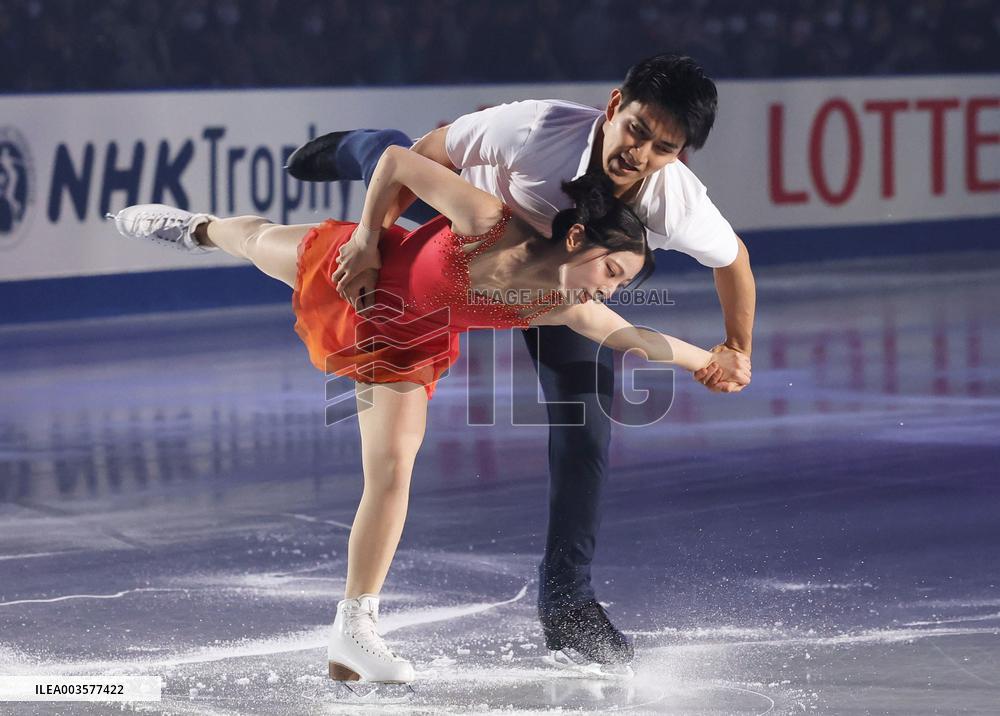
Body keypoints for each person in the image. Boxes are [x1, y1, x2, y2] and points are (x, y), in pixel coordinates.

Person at [109, 141, 750, 684]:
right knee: (250, 239)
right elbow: (394, 159)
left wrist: (710, 362)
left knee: (393, 468)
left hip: (402, 347)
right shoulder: (489, 220)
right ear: (577, 237)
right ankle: (192, 227)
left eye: (618, 284)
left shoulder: (565, 307)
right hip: (355, 273)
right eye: (609, 269)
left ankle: (353, 630)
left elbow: (636, 339)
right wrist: (364, 239)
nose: (605, 288)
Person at [287, 54, 756, 672]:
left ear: (680, 155)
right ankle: (358, 147)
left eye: (663, 148)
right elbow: (427, 156)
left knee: (586, 428)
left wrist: (735, 347)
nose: (640, 154)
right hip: (483, 234)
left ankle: (567, 603)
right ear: (614, 107)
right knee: (392, 156)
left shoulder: (678, 202)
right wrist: (369, 240)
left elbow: (734, 261)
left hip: (559, 292)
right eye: (637, 130)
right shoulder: (536, 130)